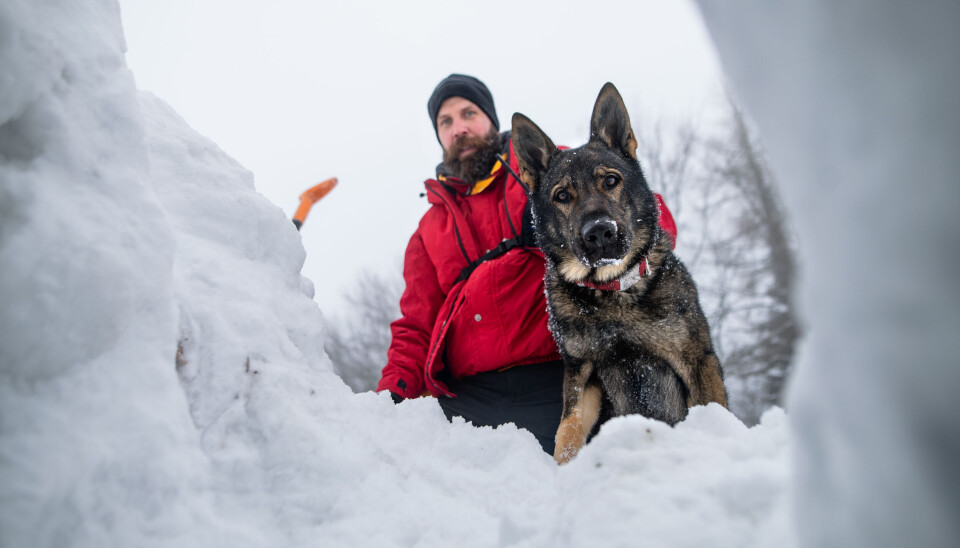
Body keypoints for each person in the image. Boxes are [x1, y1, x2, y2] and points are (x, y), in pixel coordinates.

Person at [377, 74, 676, 455]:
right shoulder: (427, 230)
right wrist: (389, 400)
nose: (459, 128)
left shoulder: (556, 175)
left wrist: (625, 258)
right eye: (446, 122)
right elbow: (415, 327)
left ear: (491, 119)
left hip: (562, 375)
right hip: (467, 396)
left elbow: (645, 211)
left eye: (468, 113)